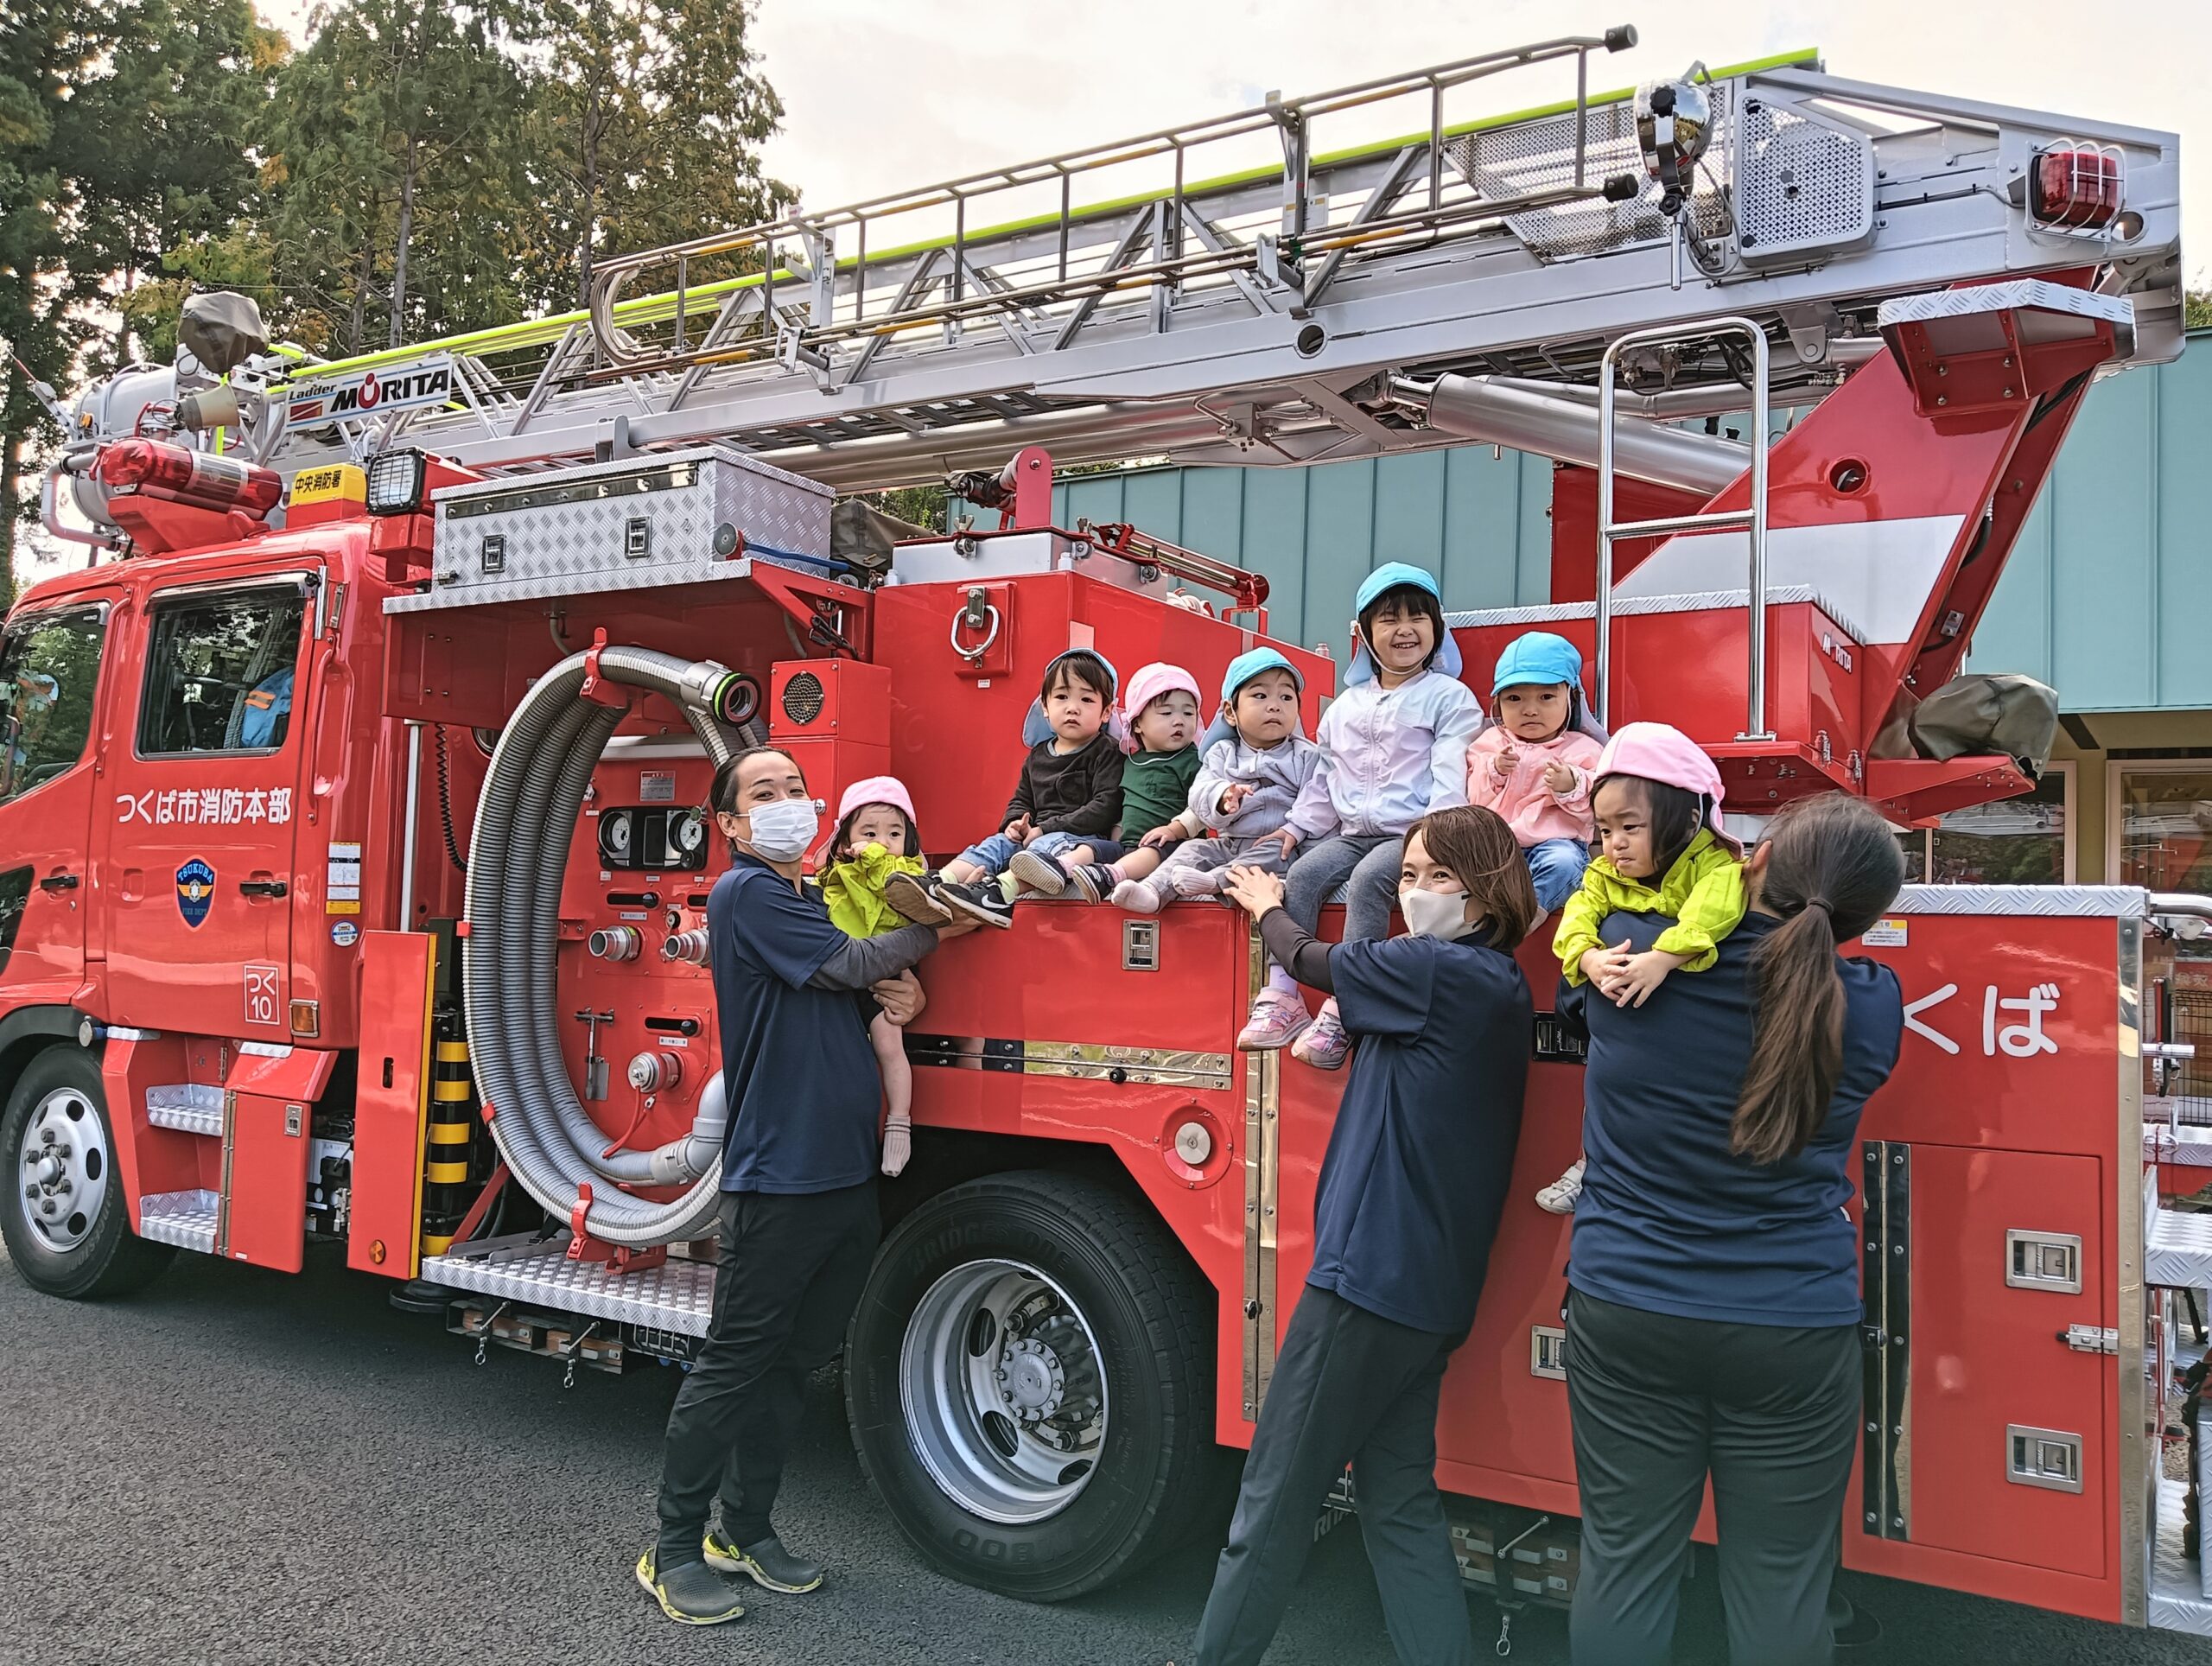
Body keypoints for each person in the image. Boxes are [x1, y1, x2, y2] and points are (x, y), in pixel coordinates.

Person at [1559, 791, 1906, 1666]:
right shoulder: (1870, 1006)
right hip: (1792, 1324)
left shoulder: (1629, 957)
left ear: (1758, 861)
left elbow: (1587, 952)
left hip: (1627, 1303)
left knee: (1623, 1563)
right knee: (1782, 1586)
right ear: (1865, 914)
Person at [1192, 805, 1539, 1666]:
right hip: (1428, 1293)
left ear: (1485, 888)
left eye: (1436, 876)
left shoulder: (1435, 970)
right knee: (1398, 1500)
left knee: (1273, 1500)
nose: (1415, 892)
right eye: (1407, 875)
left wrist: (1266, 903)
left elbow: (1313, 961)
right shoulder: (1496, 982)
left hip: (1366, 1282)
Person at [639, 745, 976, 1627]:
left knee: (794, 1361)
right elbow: (850, 966)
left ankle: (745, 1529)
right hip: (778, 1177)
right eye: (764, 791)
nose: (786, 799)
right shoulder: (744, 893)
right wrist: (939, 924)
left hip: (841, 1174)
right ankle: (673, 1547)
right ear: (731, 823)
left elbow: (854, 990)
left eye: (794, 786)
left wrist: (901, 997)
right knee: (735, 1362)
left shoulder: (810, 901)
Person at [1239, 563, 1482, 1070]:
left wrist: (1438, 837)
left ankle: (1347, 1005)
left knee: (1371, 879)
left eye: (1418, 618)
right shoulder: (1345, 706)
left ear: (1437, 628)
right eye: (1389, 620)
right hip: (1353, 833)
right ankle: (1283, 995)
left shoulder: (1449, 697)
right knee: (1303, 874)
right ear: (1365, 633)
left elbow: (1451, 768)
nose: (1405, 630)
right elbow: (1326, 778)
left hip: (1413, 834)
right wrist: (1296, 827)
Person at [1537, 722, 1747, 1215]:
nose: (1616, 844)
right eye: (1605, 830)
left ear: (1686, 820)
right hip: (1622, 1025)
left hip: (1686, 1033)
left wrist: (1662, 958)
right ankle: (1591, 1162)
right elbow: (1577, 914)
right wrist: (1588, 957)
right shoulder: (1603, 874)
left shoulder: (1714, 866)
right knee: (1606, 1083)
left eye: (1631, 828)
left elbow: (1713, 911)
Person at [887, 648, 1123, 929]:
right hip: (1035, 834)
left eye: (1087, 699)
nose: (1073, 708)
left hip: (1078, 839)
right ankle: (939, 884)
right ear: (1045, 707)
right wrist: (1015, 823)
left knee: (1042, 847)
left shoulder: (1105, 751)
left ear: (1106, 711)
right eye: (1062, 697)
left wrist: (1044, 830)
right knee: (995, 844)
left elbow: (1105, 806)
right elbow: (1022, 799)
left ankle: (999, 894)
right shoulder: (1037, 756)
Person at [1108, 648, 1321, 913]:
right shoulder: (1222, 753)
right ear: (1230, 711)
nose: (1275, 705)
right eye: (1260, 695)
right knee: (1193, 849)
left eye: (1286, 697)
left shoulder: (1306, 755)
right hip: (1230, 842)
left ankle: (1213, 881)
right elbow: (1200, 793)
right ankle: (1153, 890)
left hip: (1279, 845)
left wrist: (1295, 831)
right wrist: (1222, 796)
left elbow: (1318, 801)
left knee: (1271, 853)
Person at [1016, 659, 1206, 902]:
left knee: (1154, 850)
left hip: (1173, 845)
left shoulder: (1193, 762)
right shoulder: (1130, 761)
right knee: (1092, 848)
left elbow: (1203, 807)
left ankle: (1109, 875)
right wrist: (1116, 835)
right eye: (1166, 713)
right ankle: (1061, 867)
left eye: (1189, 713)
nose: (1179, 721)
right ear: (1137, 724)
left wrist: (1174, 830)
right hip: (1129, 845)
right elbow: (1122, 807)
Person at [816, 775, 930, 1179]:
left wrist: (875, 854)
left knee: (889, 1047)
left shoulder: (906, 871)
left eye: (894, 833)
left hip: (887, 973)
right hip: (844, 973)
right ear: (845, 839)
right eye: (869, 832)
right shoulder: (838, 871)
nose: (882, 841)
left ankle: (899, 1122)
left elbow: (889, 884)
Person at [1465, 631, 1604, 912]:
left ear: (1570, 699)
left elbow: (1599, 805)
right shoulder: (1490, 743)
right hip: (1495, 845)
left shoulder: (1584, 748)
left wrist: (1573, 785)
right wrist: (1493, 771)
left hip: (1555, 843)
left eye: (1546, 697)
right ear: (1498, 703)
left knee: (1564, 864)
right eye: (1515, 698)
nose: (1530, 710)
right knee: (1462, 864)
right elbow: (1473, 799)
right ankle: (1478, 918)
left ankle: (1528, 915)